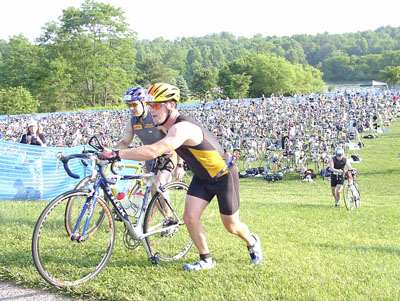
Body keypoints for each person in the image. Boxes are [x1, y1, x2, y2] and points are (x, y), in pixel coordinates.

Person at [101, 83, 262, 270]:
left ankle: (252, 241)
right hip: (202, 177)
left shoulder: (182, 128)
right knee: (190, 217)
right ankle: (206, 259)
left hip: (223, 175)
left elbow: (155, 149)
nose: (152, 110)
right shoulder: (163, 125)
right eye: (150, 105)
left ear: (171, 105)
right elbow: (161, 147)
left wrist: (117, 154)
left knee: (231, 226)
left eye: (157, 105)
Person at [113, 86, 184, 186]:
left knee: (159, 185)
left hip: (167, 157)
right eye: (128, 105)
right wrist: (112, 151)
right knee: (151, 192)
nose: (131, 108)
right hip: (150, 160)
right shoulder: (132, 122)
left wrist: (180, 165)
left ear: (143, 103)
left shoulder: (156, 118)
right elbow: (125, 142)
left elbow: (175, 141)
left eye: (134, 104)